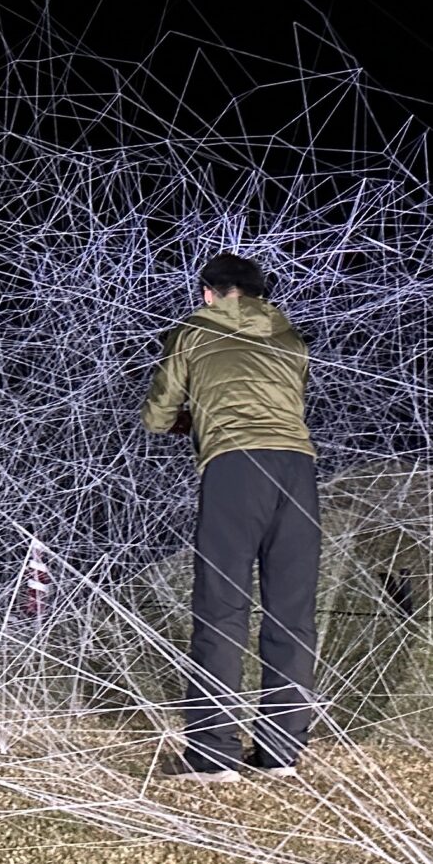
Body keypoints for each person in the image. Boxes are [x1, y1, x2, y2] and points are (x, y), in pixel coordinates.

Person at [142, 253, 321, 784]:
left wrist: (193, 422)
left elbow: (157, 414)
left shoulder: (192, 332)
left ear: (208, 293)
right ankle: (281, 753)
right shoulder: (291, 338)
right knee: (292, 612)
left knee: (222, 609)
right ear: (260, 295)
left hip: (234, 469)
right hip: (298, 469)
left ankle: (213, 755)